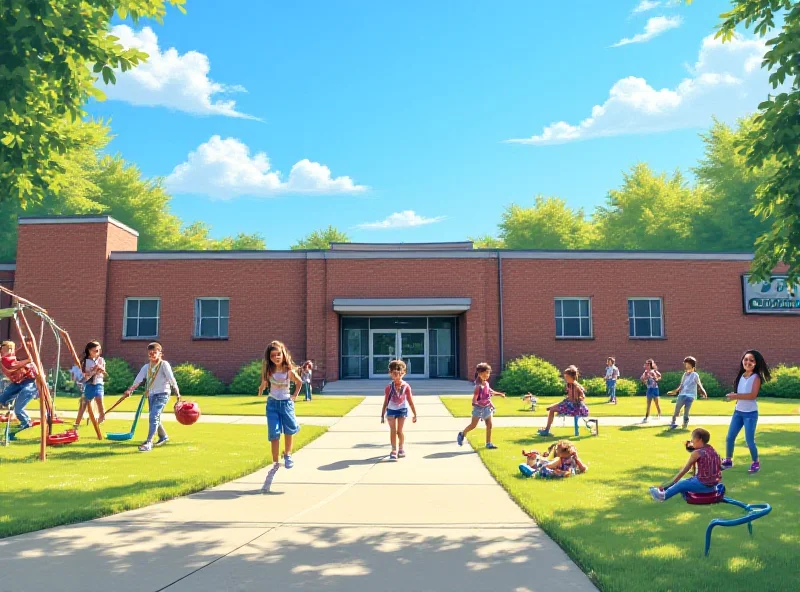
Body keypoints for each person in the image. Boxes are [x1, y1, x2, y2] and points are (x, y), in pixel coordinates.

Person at [258, 341, 303, 492]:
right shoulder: (269, 371)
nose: (276, 357)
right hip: (272, 405)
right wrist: (262, 387)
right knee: (274, 433)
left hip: (286, 404)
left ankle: (288, 454)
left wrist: (294, 396)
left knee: (289, 430)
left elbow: (299, 382)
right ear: (269, 358)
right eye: (273, 355)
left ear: (283, 354)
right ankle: (275, 461)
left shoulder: (288, 370)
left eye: (278, 354)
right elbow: (265, 382)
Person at [123, 342, 181, 452]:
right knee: (155, 416)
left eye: (155, 353)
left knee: (154, 416)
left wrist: (177, 392)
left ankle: (149, 442)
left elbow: (171, 379)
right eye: (150, 354)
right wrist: (130, 390)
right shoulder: (146, 367)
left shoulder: (164, 365)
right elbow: (138, 379)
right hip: (151, 394)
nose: (152, 355)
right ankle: (163, 436)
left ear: (160, 353)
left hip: (163, 394)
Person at [722, 350, 771, 474]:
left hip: (750, 414)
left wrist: (735, 396)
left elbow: (752, 396)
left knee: (749, 440)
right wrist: (735, 398)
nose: (748, 362)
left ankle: (755, 462)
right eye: (746, 359)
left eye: (751, 360)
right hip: (738, 412)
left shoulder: (756, 377)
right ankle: (728, 460)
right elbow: (741, 394)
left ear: (756, 363)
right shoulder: (741, 376)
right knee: (730, 437)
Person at [649, 428, 721, 502]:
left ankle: (662, 496)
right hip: (713, 486)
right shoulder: (712, 450)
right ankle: (688, 496)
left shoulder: (697, 453)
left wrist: (672, 483)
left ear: (699, 439)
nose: (692, 441)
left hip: (703, 485)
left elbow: (685, 470)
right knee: (689, 481)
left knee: (681, 483)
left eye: (693, 438)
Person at [457, 362, 506, 449]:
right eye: (484, 374)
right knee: (473, 425)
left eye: (488, 373)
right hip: (478, 408)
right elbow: (475, 397)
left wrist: (500, 394)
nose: (486, 376)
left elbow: (490, 392)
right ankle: (462, 434)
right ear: (479, 374)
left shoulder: (486, 383)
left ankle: (488, 443)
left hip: (487, 407)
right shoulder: (478, 386)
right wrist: (475, 403)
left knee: (489, 425)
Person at [379, 359, 418, 460]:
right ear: (390, 373)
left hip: (402, 410)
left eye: (399, 374)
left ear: (403, 373)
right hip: (391, 410)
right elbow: (386, 401)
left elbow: (410, 400)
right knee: (393, 430)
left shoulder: (406, 386)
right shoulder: (389, 387)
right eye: (394, 374)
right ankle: (393, 449)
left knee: (399, 431)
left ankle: (401, 448)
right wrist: (382, 414)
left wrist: (415, 414)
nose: (397, 376)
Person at [538, 365, 588, 437]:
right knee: (550, 408)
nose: (566, 379)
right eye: (565, 377)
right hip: (567, 404)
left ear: (572, 377)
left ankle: (547, 430)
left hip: (574, 407)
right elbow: (567, 399)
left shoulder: (576, 386)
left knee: (552, 410)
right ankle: (547, 429)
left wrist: (581, 397)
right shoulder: (569, 384)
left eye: (567, 377)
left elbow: (582, 395)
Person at [0, 340, 38, 431]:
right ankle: (9, 409)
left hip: (29, 381)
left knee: (19, 409)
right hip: (18, 382)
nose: (11, 351)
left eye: (11, 349)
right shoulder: (5, 359)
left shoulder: (7, 358)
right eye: (9, 349)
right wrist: (28, 360)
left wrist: (23, 348)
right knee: (3, 398)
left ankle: (26, 422)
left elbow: (13, 359)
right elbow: (13, 365)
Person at [666, 357, 707, 429]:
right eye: (686, 364)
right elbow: (681, 385)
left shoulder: (695, 375)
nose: (686, 366)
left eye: (688, 364)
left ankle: (685, 425)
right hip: (682, 395)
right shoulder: (685, 374)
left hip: (690, 395)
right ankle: (673, 422)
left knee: (686, 411)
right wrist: (674, 392)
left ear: (692, 365)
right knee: (677, 410)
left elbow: (699, 384)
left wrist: (704, 392)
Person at [74, 340, 106, 428]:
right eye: (95, 350)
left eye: (98, 350)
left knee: (99, 398)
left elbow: (104, 373)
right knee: (84, 403)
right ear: (89, 351)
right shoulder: (85, 362)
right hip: (89, 384)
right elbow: (84, 375)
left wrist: (101, 370)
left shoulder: (101, 360)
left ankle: (102, 416)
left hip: (98, 383)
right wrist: (92, 371)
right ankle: (77, 422)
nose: (97, 352)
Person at [640, 359, 662, 423]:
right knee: (648, 403)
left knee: (656, 402)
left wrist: (656, 378)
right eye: (646, 365)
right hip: (649, 389)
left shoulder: (654, 371)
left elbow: (659, 376)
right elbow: (642, 378)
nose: (646, 366)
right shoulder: (646, 372)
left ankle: (659, 413)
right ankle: (647, 416)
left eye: (647, 365)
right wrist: (644, 379)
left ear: (650, 365)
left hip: (655, 388)